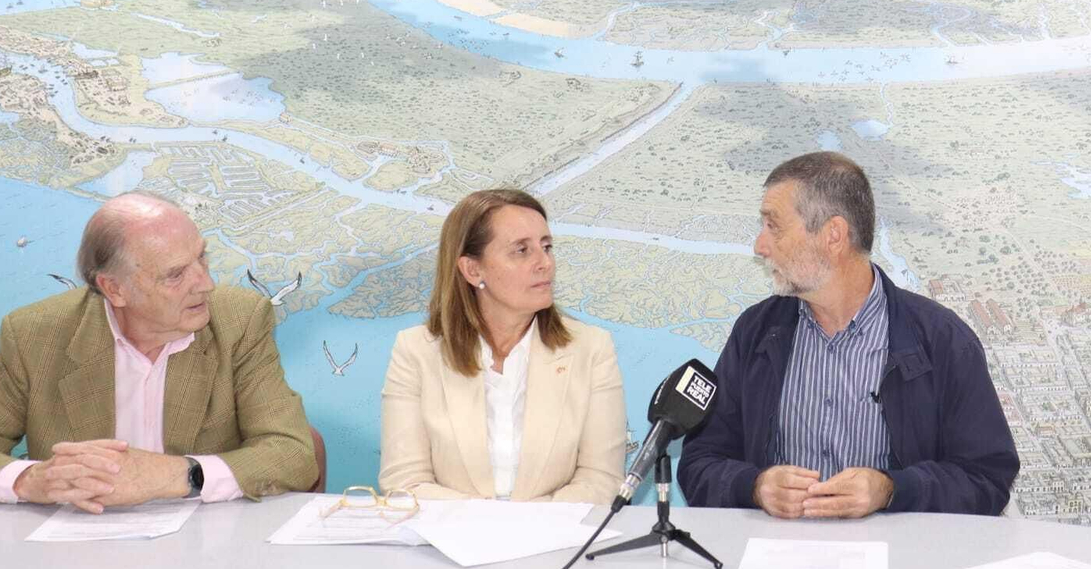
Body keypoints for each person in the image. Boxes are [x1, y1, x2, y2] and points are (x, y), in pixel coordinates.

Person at [678, 152, 1018, 518]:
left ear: (833, 235)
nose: (760, 246)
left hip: (898, 564)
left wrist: (892, 489)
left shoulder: (942, 340)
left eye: (773, 226)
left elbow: (987, 479)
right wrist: (755, 486)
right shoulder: (757, 332)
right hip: (777, 561)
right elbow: (699, 462)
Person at [0, 192, 317, 510]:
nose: (206, 283)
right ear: (114, 289)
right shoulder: (38, 335)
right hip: (73, 554)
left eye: (202, 258)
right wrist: (29, 479)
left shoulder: (239, 321)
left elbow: (292, 453)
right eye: (175, 275)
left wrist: (180, 474)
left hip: (208, 554)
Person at [379, 188, 626, 504]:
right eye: (522, 251)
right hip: (449, 541)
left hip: (555, 541)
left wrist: (525, 527)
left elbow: (600, 480)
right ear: (472, 269)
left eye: (546, 247)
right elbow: (405, 482)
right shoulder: (415, 351)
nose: (544, 263)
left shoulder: (591, 349)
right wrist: (489, 524)